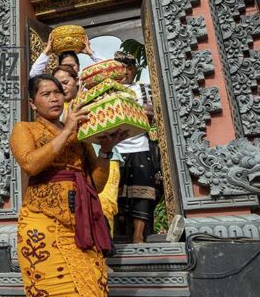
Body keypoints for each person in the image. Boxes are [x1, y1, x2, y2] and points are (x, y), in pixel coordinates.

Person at [11, 74, 123, 296]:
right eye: (45, 94)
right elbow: (31, 165)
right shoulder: (24, 129)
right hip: (42, 221)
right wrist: (67, 130)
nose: (54, 98)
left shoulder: (80, 133)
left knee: (91, 287)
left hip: (82, 222)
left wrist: (106, 151)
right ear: (33, 103)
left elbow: (96, 185)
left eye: (57, 93)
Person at [52, 65, 123, 238]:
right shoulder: (58, 110)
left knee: (104, 205)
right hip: (79, 164)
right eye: (57, 85)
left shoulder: (94, 96)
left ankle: (104, 256)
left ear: (77, 81)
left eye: (66, 82)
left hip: (106, 158)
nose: (63, 88)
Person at [111, 52, 160, 244]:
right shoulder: (109, 91)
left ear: (134, 70)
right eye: (122, 68)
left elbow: (155, 114)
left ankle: (139, 235)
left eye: (130, 68)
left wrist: (150, 114)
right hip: (116, 148)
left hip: (141, 145)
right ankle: (118, 235)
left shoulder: (145, 89)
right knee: (116, 193)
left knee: (144, 191)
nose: (126, 72)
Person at [30, 34, 104, 78]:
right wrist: (46, 52)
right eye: (65, 66)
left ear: (78, 67)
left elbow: (109, 68)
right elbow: (33, 75)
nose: (69, 69)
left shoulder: (85, 83)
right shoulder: (56, 86)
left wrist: (91, 53)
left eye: (72, 66)